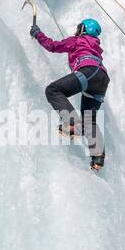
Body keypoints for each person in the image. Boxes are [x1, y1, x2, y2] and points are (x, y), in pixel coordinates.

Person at [30, 17, 109, 170]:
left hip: (89, 72)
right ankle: (98, 158)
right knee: (89, 120)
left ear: (84, 30)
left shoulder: (78, 40)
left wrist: (37, 34)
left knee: (53, 90)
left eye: (80, 28)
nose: (77, 30)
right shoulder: (96, 48)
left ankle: (72, 122)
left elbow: (53, 46)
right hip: (102, 79)